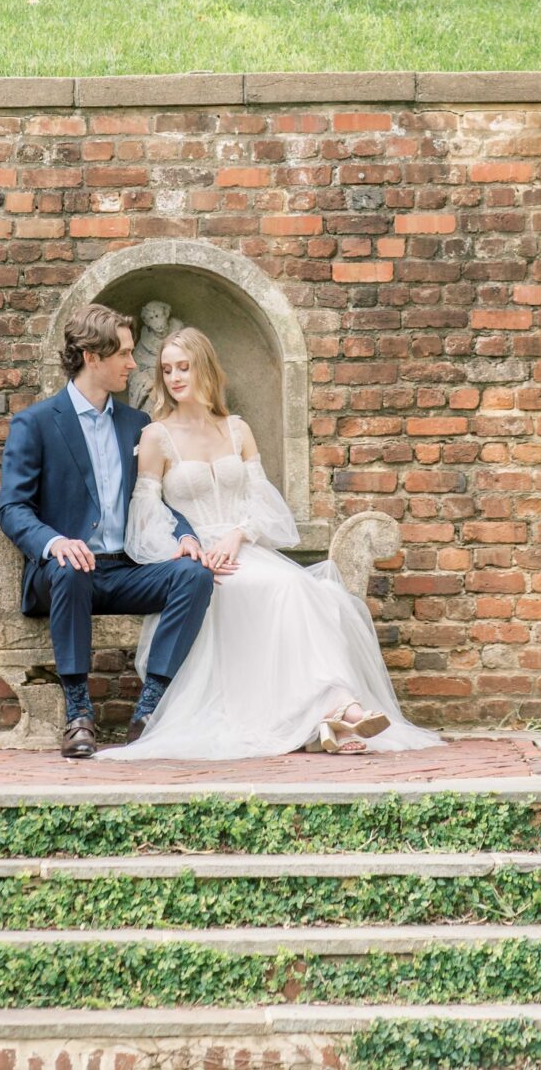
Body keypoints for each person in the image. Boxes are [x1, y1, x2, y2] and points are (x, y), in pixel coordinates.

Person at [98, 325, 442, 762]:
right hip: (198, 559)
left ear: (205, 367)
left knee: (303, 589)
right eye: (167, 370)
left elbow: (263, 501)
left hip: (242, 545)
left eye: (184, 367)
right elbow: (145, 514)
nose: (175, 377)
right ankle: (332, 716)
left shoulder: (237, 429)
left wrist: (240, 534)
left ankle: (336, 710)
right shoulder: (156, 435)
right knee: (272, 589)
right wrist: (182, 551)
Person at [0, 302, 218, 758]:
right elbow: (13, 508)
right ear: (92, 356)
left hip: (127, 568)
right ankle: (78, 713)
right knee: (72, 566)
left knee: (194, 575)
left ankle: (149, 711)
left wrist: (184, 535)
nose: (133, 364)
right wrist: (54, 542)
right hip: (61, 575)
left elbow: (157, 497)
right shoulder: (35, 423)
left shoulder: (137, 424)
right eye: (123, 354)